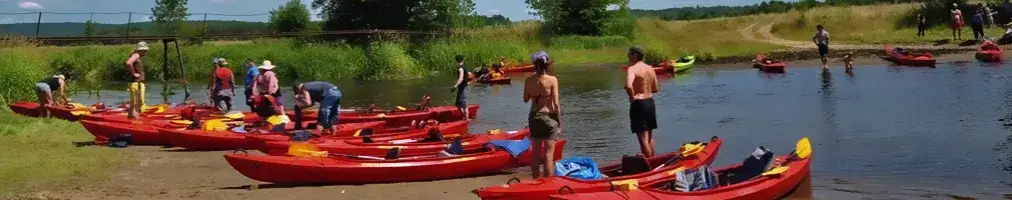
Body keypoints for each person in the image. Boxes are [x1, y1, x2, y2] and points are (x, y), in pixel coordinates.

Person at [523, 51, 562, 179]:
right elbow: (556, 104)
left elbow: (525, 99)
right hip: (548, 118)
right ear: (546, 64)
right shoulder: (552, 80)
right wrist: (559, 122)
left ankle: (535, 182)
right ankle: (547, 183)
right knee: (548, 155)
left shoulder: (528, 80)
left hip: (534, 117)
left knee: (535, 154)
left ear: (534, 64)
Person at [624, 46, 659, 158]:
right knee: (650, 137)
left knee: (643, 139)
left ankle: (648, 166)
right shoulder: (650, 68)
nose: (628, 56)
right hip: (650, 102)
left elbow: (629, 86)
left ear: (635, 55)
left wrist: (631, 97)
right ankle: (653, 162)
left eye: (629, 54)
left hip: (639, 104)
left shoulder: (632, 69)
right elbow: (655, 89)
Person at [125, 41, 148, 119]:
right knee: (138, 104)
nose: (145, 52)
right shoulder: (136, 55)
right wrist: (134, 73)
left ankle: (130, 120)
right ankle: (136, 122)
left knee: (133, 104)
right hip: (137, 83)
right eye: (144, 50)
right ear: (140, 50)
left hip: (135, 83)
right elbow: (128, 63)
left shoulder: (136, 55)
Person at [449, 55, 470, 121]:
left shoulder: (461, 68)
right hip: (462, 88)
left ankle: (467, 120)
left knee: (464, 105)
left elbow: (460, 79)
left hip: (463, 88)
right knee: (458, 104)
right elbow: (469, 73)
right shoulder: (464, 67)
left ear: (456, 61)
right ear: (462, 60)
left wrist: (455, 86)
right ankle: (464, 116)